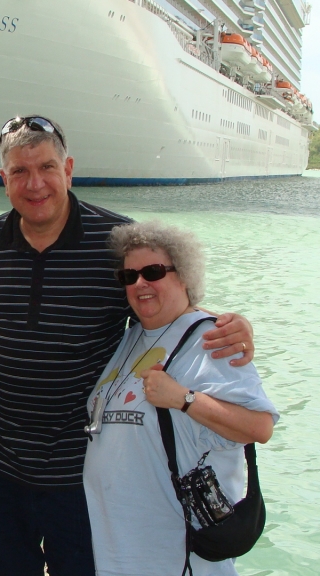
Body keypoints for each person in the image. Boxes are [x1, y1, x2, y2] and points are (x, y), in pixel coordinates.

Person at [0, 116, 256, 575]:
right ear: (4, 179)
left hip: (79, 469)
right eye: (19, 171)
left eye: (47, 167)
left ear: (69, 169)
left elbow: (160, 300)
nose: (34, 183)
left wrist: (228, 324)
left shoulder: (114, 241)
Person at [83, 220, 277, 575]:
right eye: (129, 276)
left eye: (153, 272)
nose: (140, 283)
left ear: (184, 275)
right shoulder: (133, 336)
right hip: (120, 549)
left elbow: (260, 427)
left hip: (177, 555)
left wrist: (184, 398)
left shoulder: (213, 340)